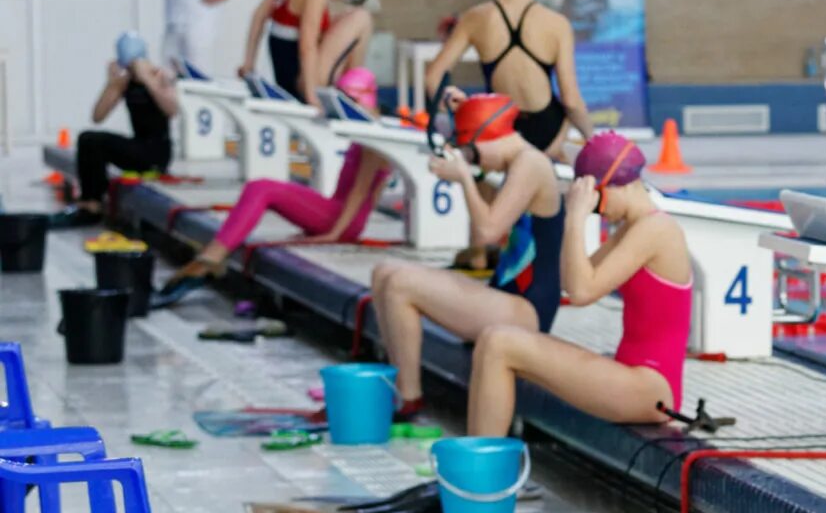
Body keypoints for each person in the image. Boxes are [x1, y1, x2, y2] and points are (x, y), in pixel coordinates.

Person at [468, 133, 691, 437]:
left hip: (650, 387)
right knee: (494, 340)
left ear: (608, 187)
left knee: (499, 343)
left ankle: (483, 477)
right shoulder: (635, 227)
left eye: (594, 199)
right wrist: (576, 219)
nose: (596, 210)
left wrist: (574, 218)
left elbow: (581, 292)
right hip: (633, 376)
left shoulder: (656, 229)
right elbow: (571, 281)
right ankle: (477, 465)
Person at [367, 93, 564, 422]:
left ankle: (409, 398)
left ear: (491, 139)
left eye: (474, 153)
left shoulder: (532, 163)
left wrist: (462, 179)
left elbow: (487, 230)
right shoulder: (519, 162)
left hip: (528, 311)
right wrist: (464, 108)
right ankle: (397, 385)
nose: (475, 162)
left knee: (401, 283)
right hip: (507, 299)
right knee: (384, 273)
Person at [154, 67, 394, 304]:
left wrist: (336, 234)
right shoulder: (366, 129)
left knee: (262, 187)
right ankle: (213, 254)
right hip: (338, 213)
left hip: (341, 219)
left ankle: (212, 256)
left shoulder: (372, 139)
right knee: (260, 187)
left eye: (347, 102)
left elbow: (362, 193)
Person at [423, 0, 595, 159]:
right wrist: (592, 139)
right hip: (548, 131)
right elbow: (571, 100)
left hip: (497, 128)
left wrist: (457, 109)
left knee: (493, 190)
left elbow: (432, 78)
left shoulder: (475, 17)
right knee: (549, 186)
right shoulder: (557, 24)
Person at [64, 32, 177, 225]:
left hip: (156, 154)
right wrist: (111, 85)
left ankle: (93, 204)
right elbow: (97, 117)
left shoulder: (160, 77)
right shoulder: (124, 83)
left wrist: (148, 81)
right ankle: (90, 202)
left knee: (94, 141)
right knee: (88, 139)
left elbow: (172, 110)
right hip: (138, 147)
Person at [239, 0, 374, 104]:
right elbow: (307, 47)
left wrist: (249, 63)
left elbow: (259, 15)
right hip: (303, 83)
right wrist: (311, 97)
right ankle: (354, 91)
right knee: (361, 18)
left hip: (288, 77)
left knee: (346, 16)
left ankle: (353, 89)